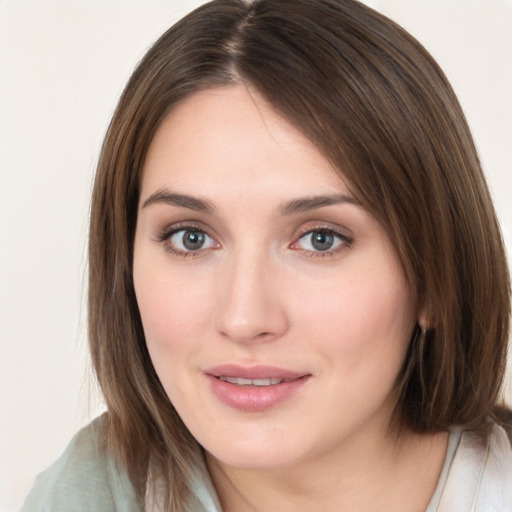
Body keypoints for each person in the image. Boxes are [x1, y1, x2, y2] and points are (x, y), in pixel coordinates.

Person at [22, 0, 511, 510]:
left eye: (321, 238)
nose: (243, 318)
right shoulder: (81, 495)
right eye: (191, 237)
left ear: (436, 277)